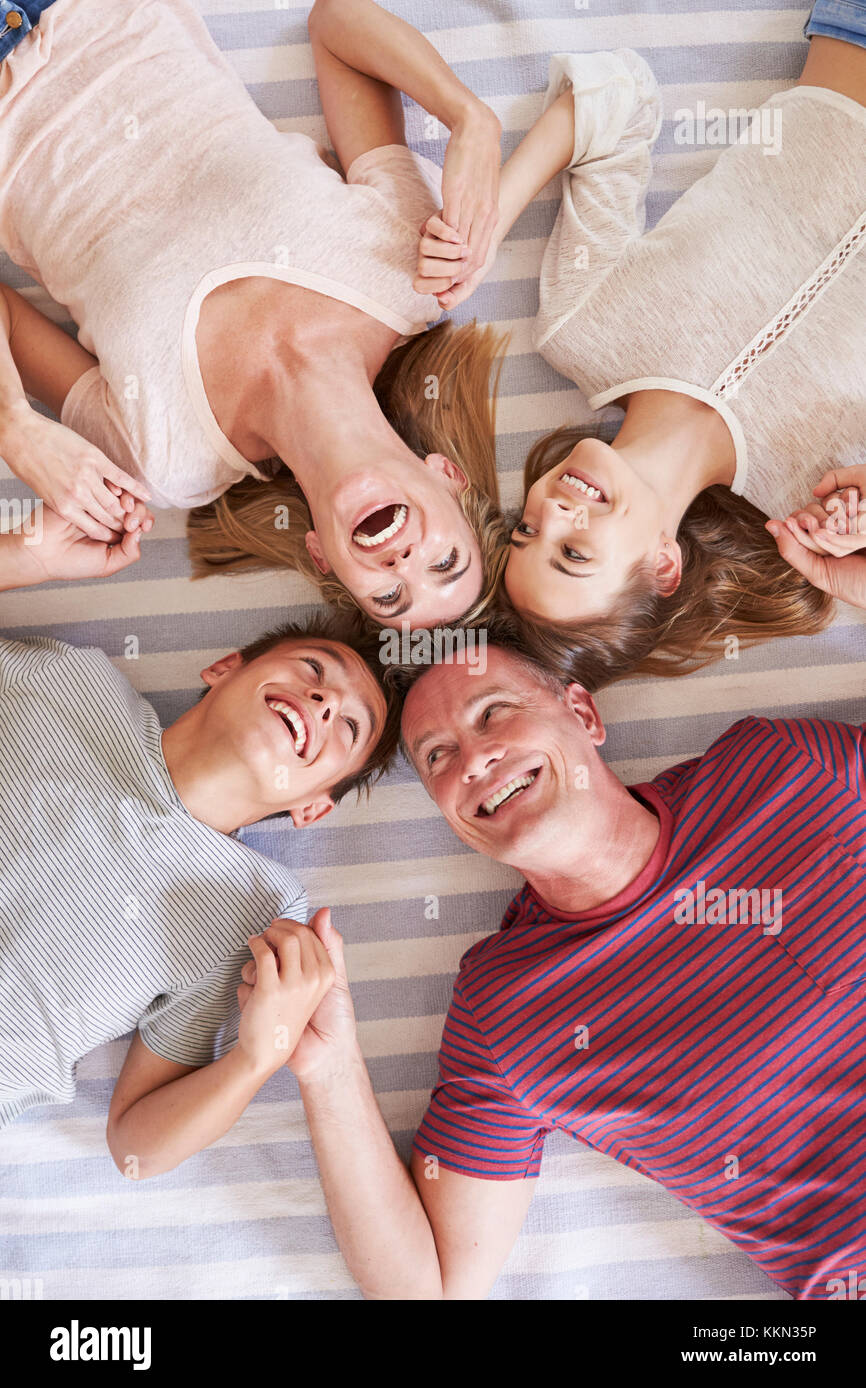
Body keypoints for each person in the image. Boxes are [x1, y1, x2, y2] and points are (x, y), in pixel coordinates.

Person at [250, 638, 866, 1300]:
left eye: (493, 713)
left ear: (584, 713)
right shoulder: (504, 1007)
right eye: (438, 757)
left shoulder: (777, 770)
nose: (476, 758)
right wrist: (329, 1068)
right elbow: (428, 1287)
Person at [0, 0, 506, 625]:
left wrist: (13, 424)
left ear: (323, 557)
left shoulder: (166, 462)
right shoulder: (415, 273)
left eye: (387, 598)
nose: (404, 565)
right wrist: (470, 118)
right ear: (448, 475)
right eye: (443, 563)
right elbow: (336, 22)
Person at [421, 9, 866, 677]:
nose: (556, 511)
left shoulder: (585, 328)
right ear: (663, 564)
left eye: (528, 530)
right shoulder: (818, 503)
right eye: (574, 553)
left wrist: (488, 225)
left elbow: (617, 100)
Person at [0, 517, 400, 1176]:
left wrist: (258, 1055)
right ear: (224, 669)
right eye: (311, 669)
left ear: (312, 807)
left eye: (348, 726)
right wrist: (26, 553)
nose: (324, 701)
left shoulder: (255, 913)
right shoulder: (73, 684)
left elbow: (134, 1147)